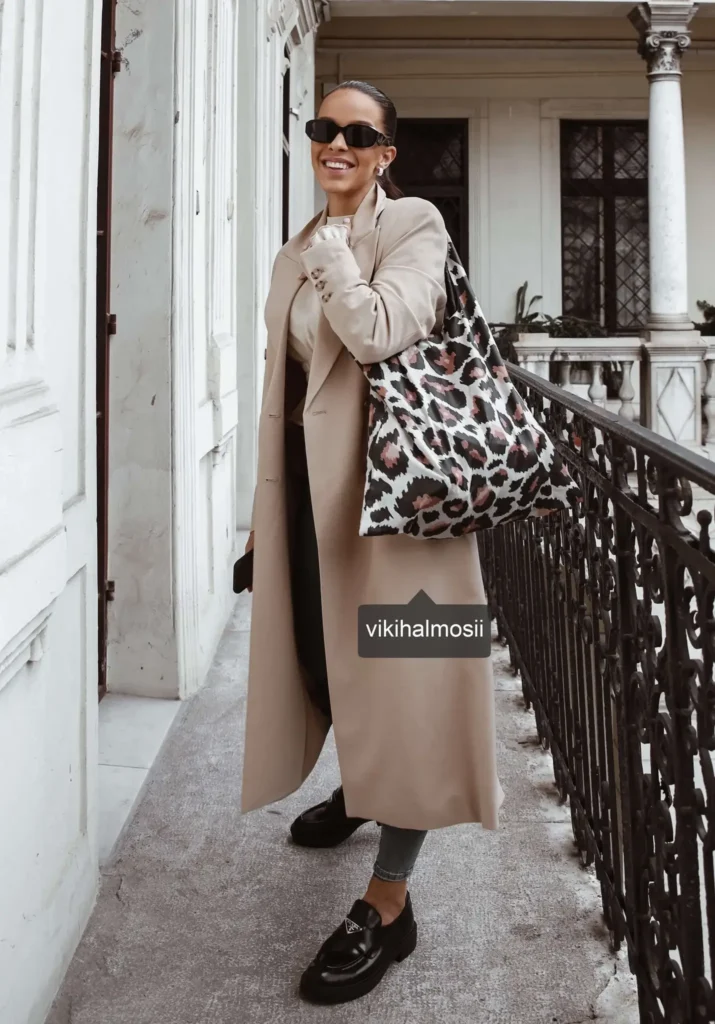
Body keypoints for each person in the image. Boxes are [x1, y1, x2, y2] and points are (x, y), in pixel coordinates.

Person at [240, 79, 504, 1004]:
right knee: (325, 663)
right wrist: (263, 517)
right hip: (312, 502)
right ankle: (362, 789)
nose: (336, 145)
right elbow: (284, 392)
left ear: (385, 153)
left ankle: (388, 903)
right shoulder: (297, 246)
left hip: (401, 510)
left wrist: (333, 252)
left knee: (410, 687)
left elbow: (380, 329)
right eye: (324, 128)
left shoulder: (412, 224)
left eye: (358, 134)